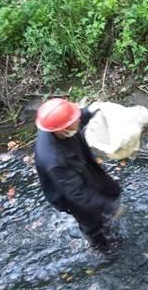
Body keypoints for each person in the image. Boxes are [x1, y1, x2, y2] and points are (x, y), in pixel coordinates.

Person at [33, 98, 122, 251]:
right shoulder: (53, 159)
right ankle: (102, 249)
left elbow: (73, 116)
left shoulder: (58, 125)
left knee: (110, 192)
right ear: (62, 129)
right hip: (68, 195)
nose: (79, 120)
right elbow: (78, 194)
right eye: (75, 120)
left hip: (82, 168)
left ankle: (106, 220)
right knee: (90, 221)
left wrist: (90, 110)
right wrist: (109, 207)